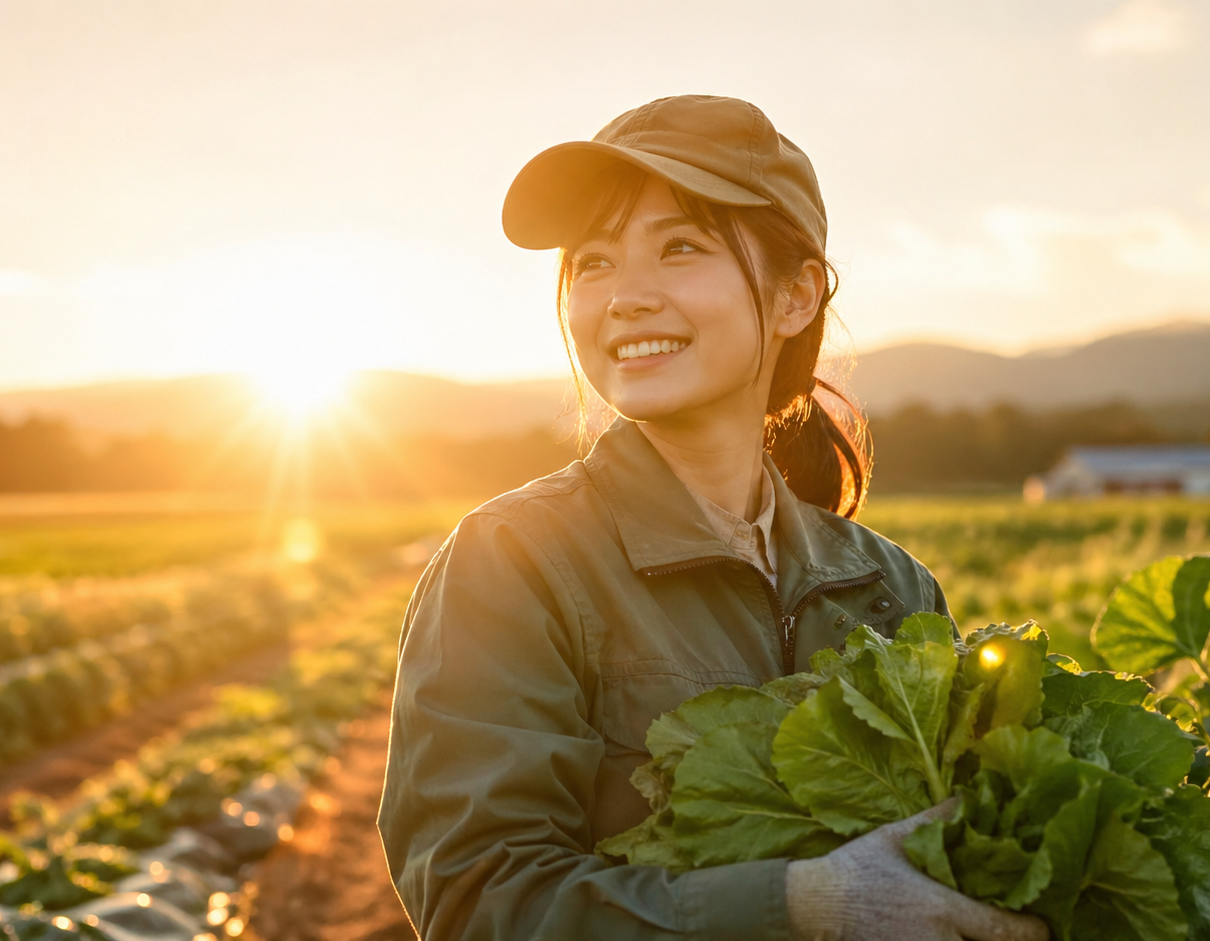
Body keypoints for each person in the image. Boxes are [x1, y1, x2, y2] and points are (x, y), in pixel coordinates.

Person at [377, 95, 1049, 941]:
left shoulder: (889, 584)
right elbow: (480, 900)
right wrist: (801, 905)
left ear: (796, 294)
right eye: (593, 262)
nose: (624, 297)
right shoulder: (512, 561)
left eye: (680, 247)